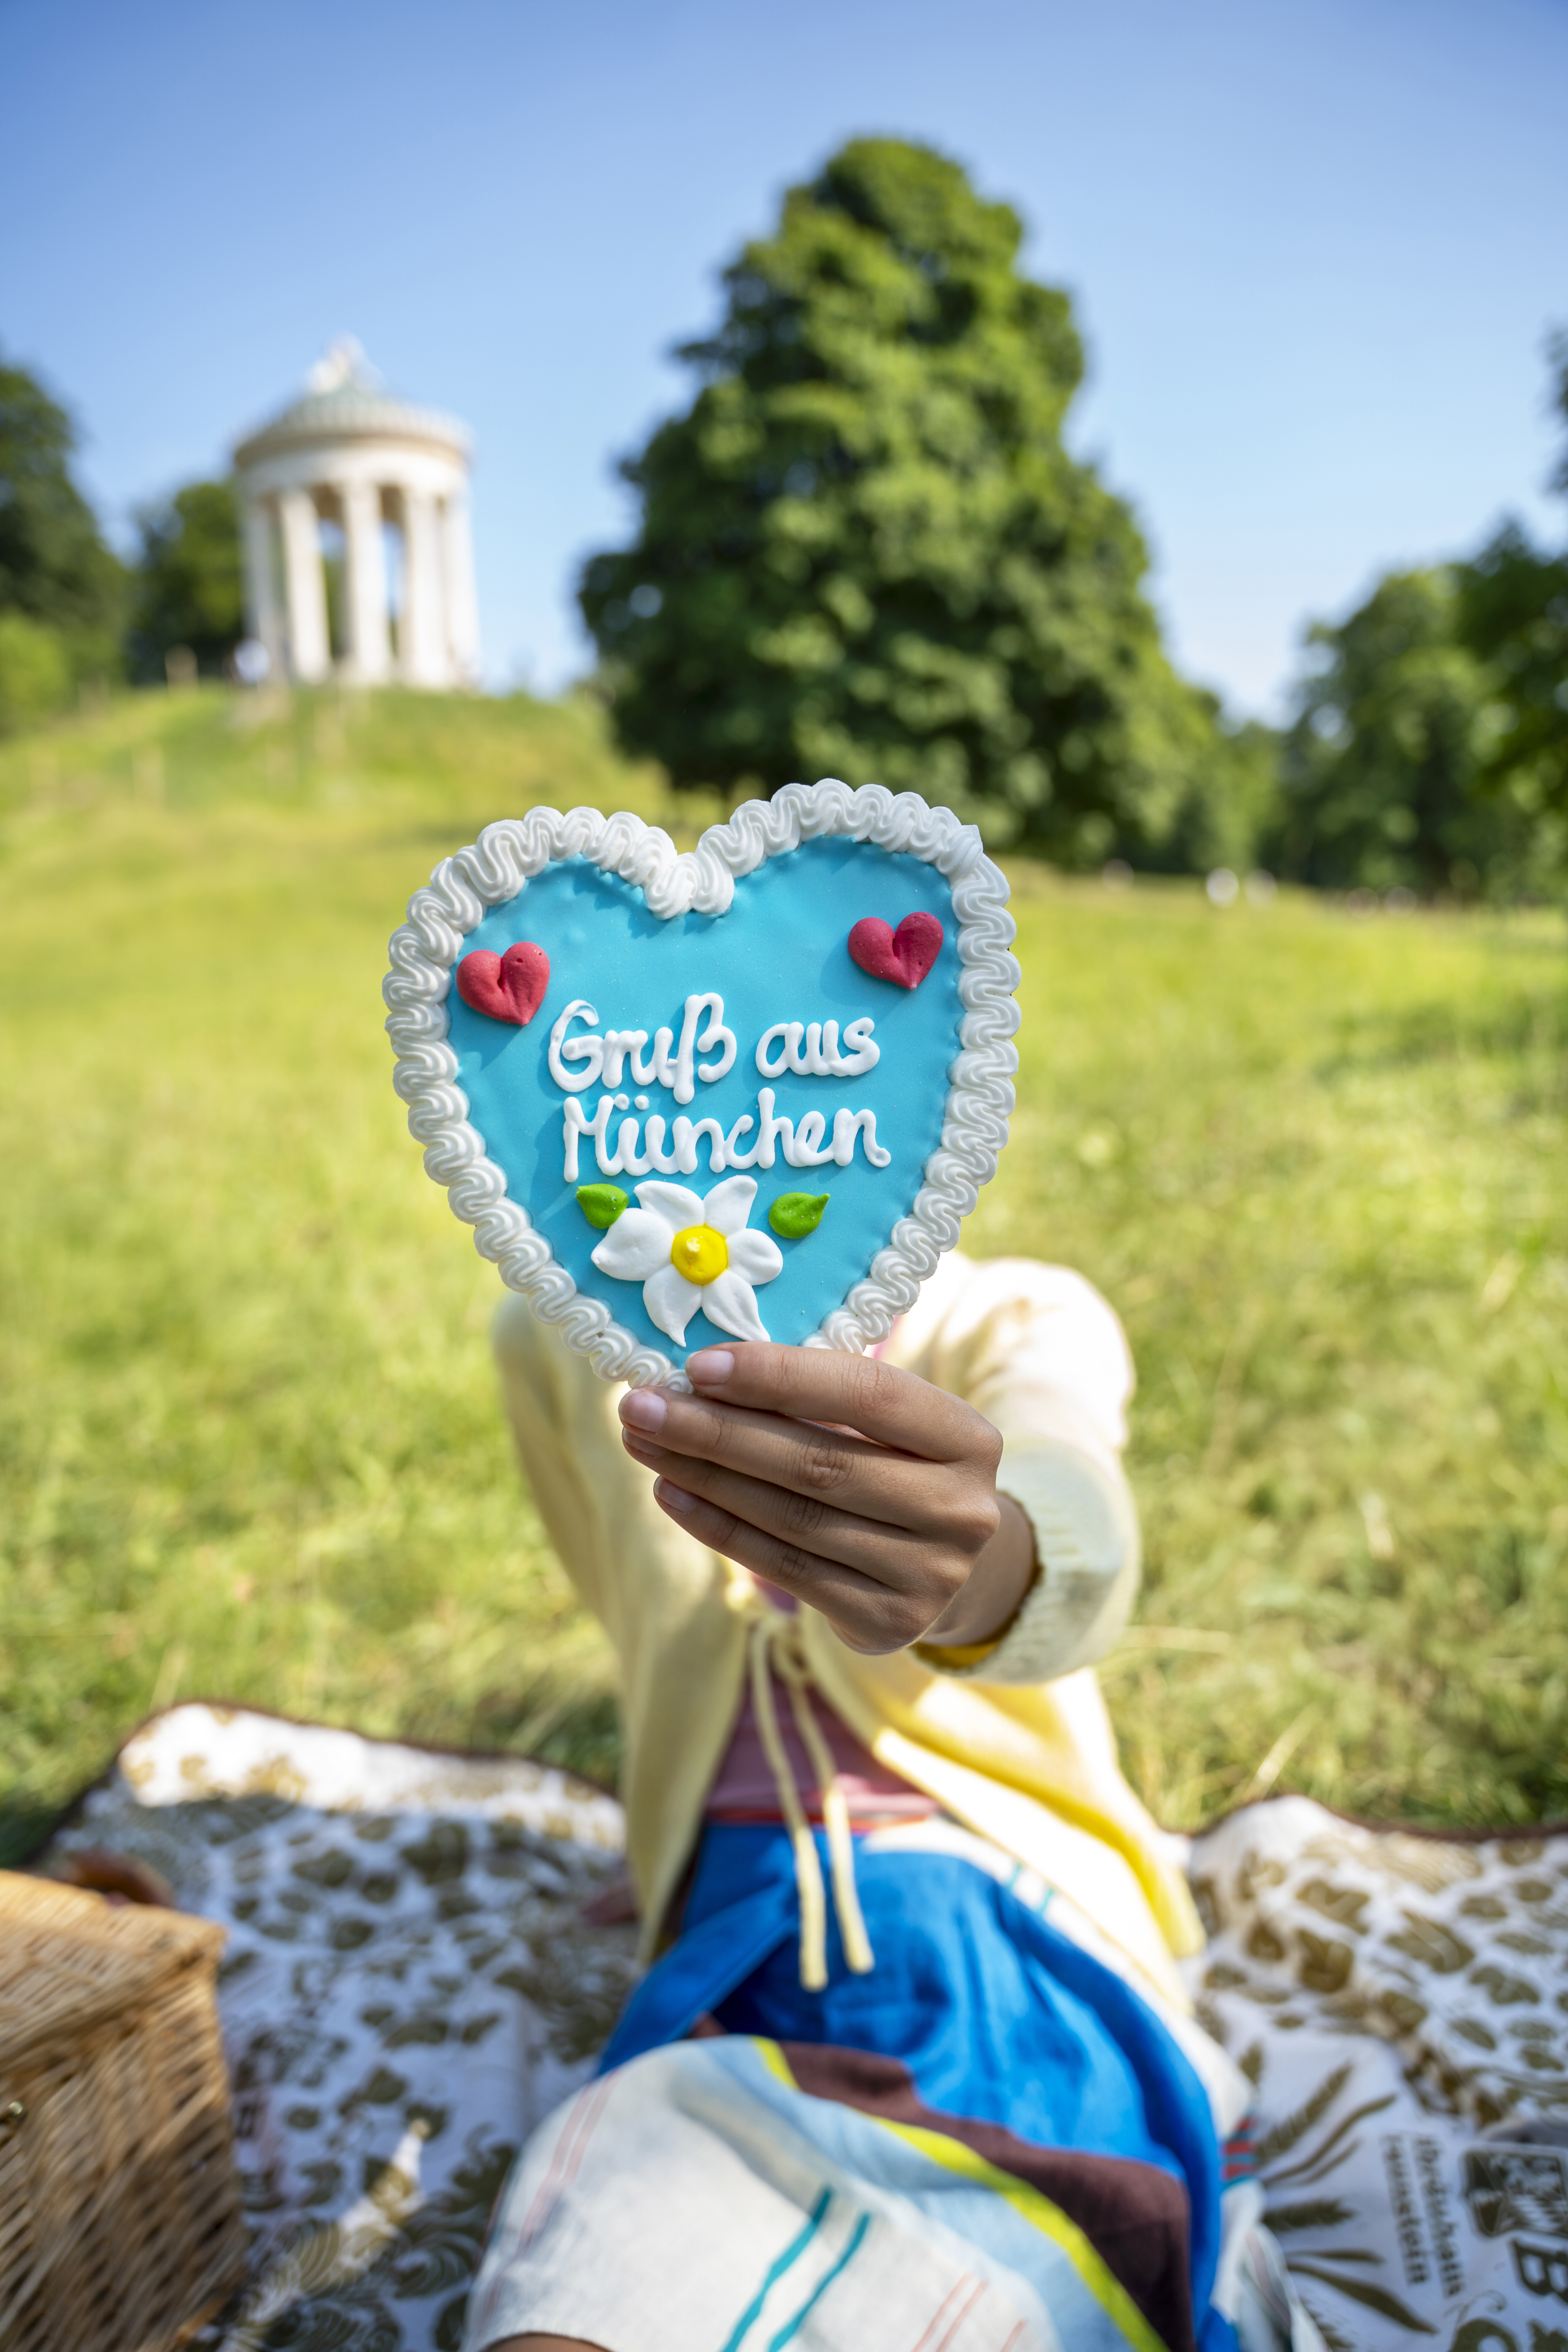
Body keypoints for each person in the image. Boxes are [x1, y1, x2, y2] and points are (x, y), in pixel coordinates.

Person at [463, 1250, 1277, 2352]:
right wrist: (674, 1827)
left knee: (1033, 2222)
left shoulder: (1009, 1319)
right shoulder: (559, 1341)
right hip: (730, 1953)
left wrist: (983, 1570)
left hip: (979, 1901)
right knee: (600, 2248)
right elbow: (624, 1596)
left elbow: (1073, 1533)